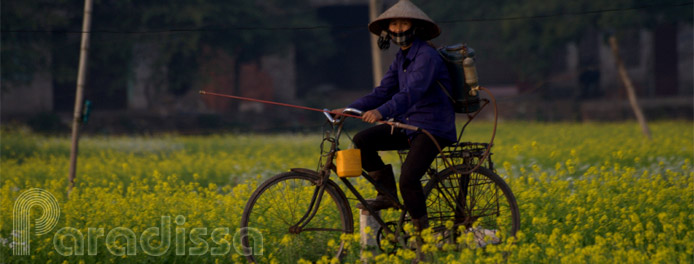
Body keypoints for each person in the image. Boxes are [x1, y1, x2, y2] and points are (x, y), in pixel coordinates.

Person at [334, 0, 456, 234]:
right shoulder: (401, 58)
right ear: (387, 31)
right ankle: (386, 194)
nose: (399, 29)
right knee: (362, 141)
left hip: (433, 128)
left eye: (404, 23)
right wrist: (348, 110)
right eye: (394, 25)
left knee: (409, 180)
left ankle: (422, 237)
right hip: (408, 125)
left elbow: (412, 92)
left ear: (415, 27)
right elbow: (382, 91)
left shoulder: (427, 56)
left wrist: (381, 112)